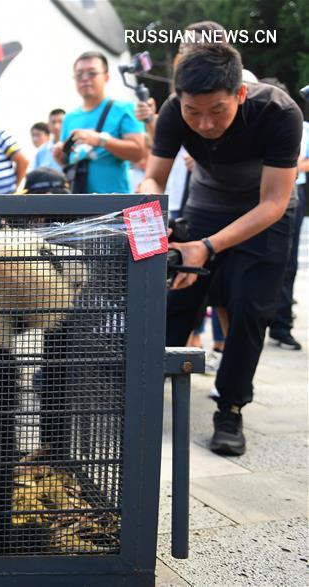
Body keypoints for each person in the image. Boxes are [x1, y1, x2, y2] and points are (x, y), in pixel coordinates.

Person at [139, 43, 302, 456]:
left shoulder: (279, 113)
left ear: (241, 94)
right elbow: (154, 177)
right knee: (177, 295)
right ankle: (145, 388)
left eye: (217, 111)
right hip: (207, 204)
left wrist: (206, 247)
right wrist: (150, 210)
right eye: (194, 112)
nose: (205, 123)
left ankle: (230, 408)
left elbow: (274, 202)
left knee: (250, 309)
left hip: (265, 212)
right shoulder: (176, 111)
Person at [53, 51, 146, 193]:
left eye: (92, 73)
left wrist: (100, 140)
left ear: (106, 77)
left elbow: (139, 153)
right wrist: (60, 157)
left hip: (115, 204)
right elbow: (68, 161)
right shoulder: (69, 118)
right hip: (77, 205)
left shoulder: (124, 109)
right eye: (79, 75)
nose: (84, 78)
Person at [268, 91, 309, 350]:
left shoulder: (304, 128)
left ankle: (281, 325)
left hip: (294, 194)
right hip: (261, 189)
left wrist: (286, 168)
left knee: (289, 262)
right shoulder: (280, 120)